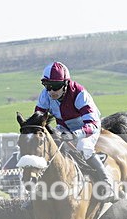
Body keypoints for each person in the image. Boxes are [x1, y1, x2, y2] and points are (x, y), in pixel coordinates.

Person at [33, 61, 116, 202]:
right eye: (48, 86)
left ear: (65, 84)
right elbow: (38, 120)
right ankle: (36, 193)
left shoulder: (79, 94)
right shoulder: (45, 95)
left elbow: (93, 124)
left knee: (83, 147)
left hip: (87, 127)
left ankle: (107, 184)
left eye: (56, 86)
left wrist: (74, 135)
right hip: (64, 127)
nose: (52, 91)